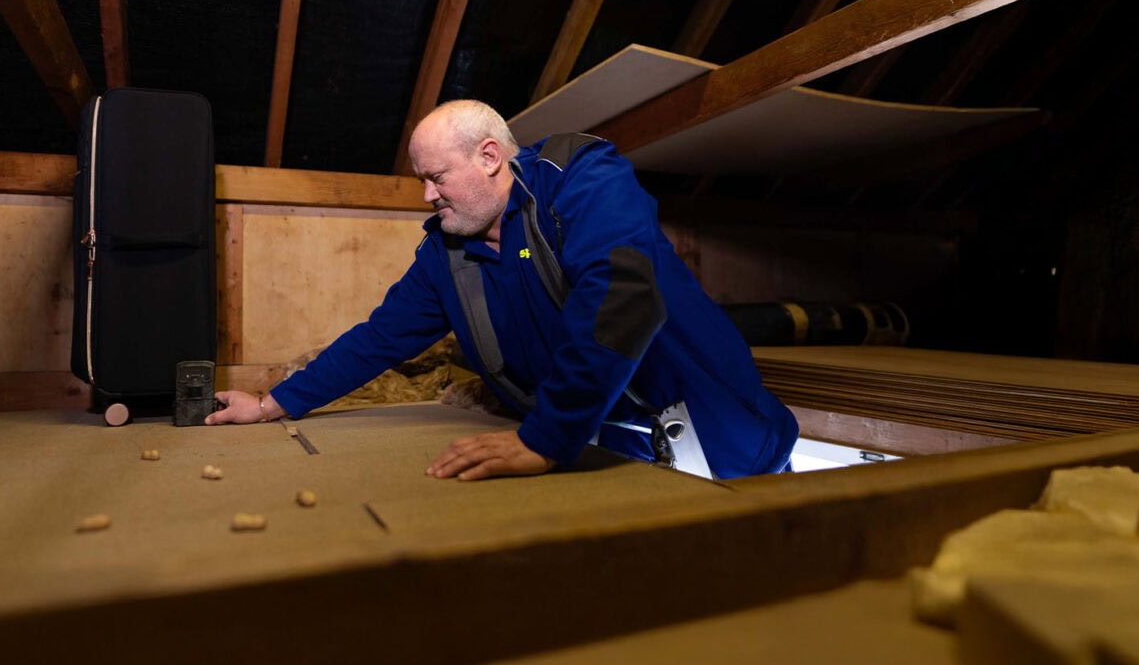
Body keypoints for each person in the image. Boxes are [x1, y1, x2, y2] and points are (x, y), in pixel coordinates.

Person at [205, 99, 797, 481]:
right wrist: (271, 403)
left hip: (725, 448)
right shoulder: (447, 252)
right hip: (613, 458)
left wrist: (543, 440)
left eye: (435, 178)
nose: (427, 196)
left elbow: (622, 296)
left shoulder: (582, 180)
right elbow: (379, 339)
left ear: (489, 156)